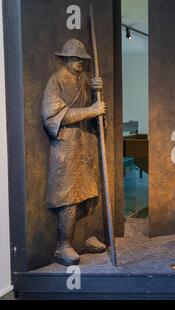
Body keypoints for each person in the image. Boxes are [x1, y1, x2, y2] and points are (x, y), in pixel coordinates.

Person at [42, 38, 107, 266]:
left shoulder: (86, 82)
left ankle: (84, 237)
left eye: (81, 59)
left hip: (86, 144)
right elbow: (53, 116)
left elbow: (97, 116)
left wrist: (97, 93)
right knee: (69, 197)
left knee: (89, 195)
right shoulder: (56, 80)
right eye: (74, 58)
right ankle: (64, 245)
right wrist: (91, 110)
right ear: (65, 59)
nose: (78, 62)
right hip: (67, 146)